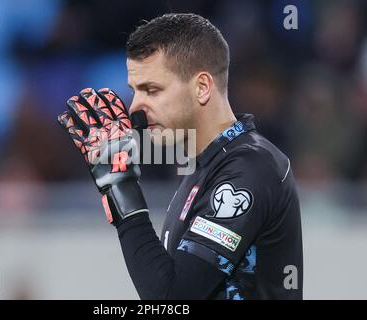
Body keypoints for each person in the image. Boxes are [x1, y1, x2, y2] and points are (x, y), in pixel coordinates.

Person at [58, 13, 303, 300]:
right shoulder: (206, 167)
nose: (135, 107)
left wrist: (121, 189)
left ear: (201, 87)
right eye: (135, 91)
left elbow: (172, 298)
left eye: (152, 90)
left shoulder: (249, 169)